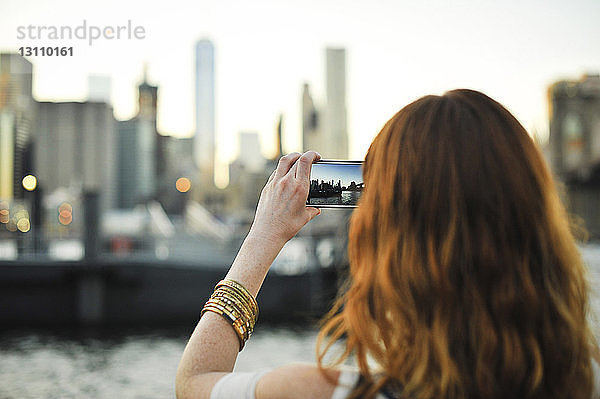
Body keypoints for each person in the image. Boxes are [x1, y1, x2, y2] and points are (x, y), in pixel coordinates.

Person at [176, 89, 600, 399]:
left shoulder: (326, 393)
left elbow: (194, 383)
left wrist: (263, 235)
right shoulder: (584, 381)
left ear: (388, 236)